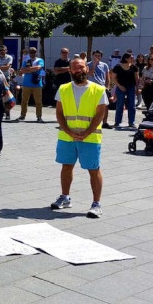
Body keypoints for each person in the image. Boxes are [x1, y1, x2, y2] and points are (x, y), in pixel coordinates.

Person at [51, 58, 108, 218]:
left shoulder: (98, 89)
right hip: (67, 137)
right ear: (70, 70)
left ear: (87, 69)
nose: (78, 70)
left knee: (93, 170)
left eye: (81, 67)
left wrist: (87, 132)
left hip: (90, 138)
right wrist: (69, 132)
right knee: (66, 166)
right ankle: (65, 197)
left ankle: (96, 204)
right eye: (75, 68)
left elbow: (100, 114)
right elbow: (59, 113)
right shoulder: (63, 89)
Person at [110, 52, 139, 129]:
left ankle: (131, 122)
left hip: (131, 87)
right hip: (120, 87)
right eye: (131, 58)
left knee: (132, 105)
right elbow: (113, 78)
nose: (133, 59)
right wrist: (119, 86)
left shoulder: (134, 67)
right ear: (126, 58)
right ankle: (117, 122)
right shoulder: (118, 67)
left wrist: (137, 87)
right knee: (120, 104)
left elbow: (136, 78)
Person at [18, 47, 45, 122]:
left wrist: (28, 70)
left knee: (38, 102)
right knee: (24, 101)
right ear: (29, 53)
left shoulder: (40, 60)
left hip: (37, 84)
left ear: (36, 52)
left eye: (34, 52)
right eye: (31, 52)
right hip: (26, 84)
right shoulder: (26, 60)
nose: (32, 53)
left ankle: (39, 116)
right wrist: (31, 69)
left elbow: (38, 68)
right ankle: (22, 115)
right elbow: (22, 71)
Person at [89, 50, 112, 129]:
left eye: (99, 56)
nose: (97, 57)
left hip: (102, 87)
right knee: (92, 105)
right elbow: (90, 74)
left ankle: (104, 122)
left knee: (105, 105)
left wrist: (107, 87)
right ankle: (92, 121)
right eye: (96, 55)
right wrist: (94, 64)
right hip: (91, 87)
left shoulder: (104, 65)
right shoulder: (88, 64)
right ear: (93, 56)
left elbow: (107, 77)